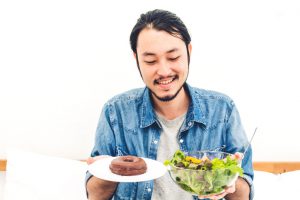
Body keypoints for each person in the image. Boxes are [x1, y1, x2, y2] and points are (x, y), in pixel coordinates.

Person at [85, 9, 254, 200]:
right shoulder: (115, 112)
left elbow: (244, 193)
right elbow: (95, 194)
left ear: (189, 51)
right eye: (150, 61)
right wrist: (107, 171)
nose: (164, 71)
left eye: (173, 58)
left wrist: (228, 178)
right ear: (136, 59)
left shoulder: (223, 110)